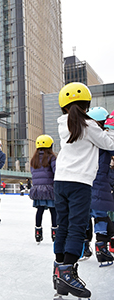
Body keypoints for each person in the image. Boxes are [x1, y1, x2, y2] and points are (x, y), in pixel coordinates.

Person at [52, 82, 114, 299]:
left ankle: (58, 269)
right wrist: (111, 128)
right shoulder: (88, 125)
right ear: (86, 104)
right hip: (79, 183)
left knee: (64, 226)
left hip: (60, 182)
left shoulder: (64, 123)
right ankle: (67, 273)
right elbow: (109, 144)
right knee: (77, 228)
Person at [83, 107, 114, 266]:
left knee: (85, 217)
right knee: (101, 218)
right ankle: (101, 250)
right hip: (100, 184)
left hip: (84, 184)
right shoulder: (105, 140)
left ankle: (83, 248)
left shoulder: (85, 139)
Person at [29, 134, 57, 244]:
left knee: (39, 210)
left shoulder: (34, 159)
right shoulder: (52, 158)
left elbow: (33, 173)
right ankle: (55, 232)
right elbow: (56, 172)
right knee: (53, 211)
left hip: (37, 189)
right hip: (49, 189)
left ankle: (38, 231)